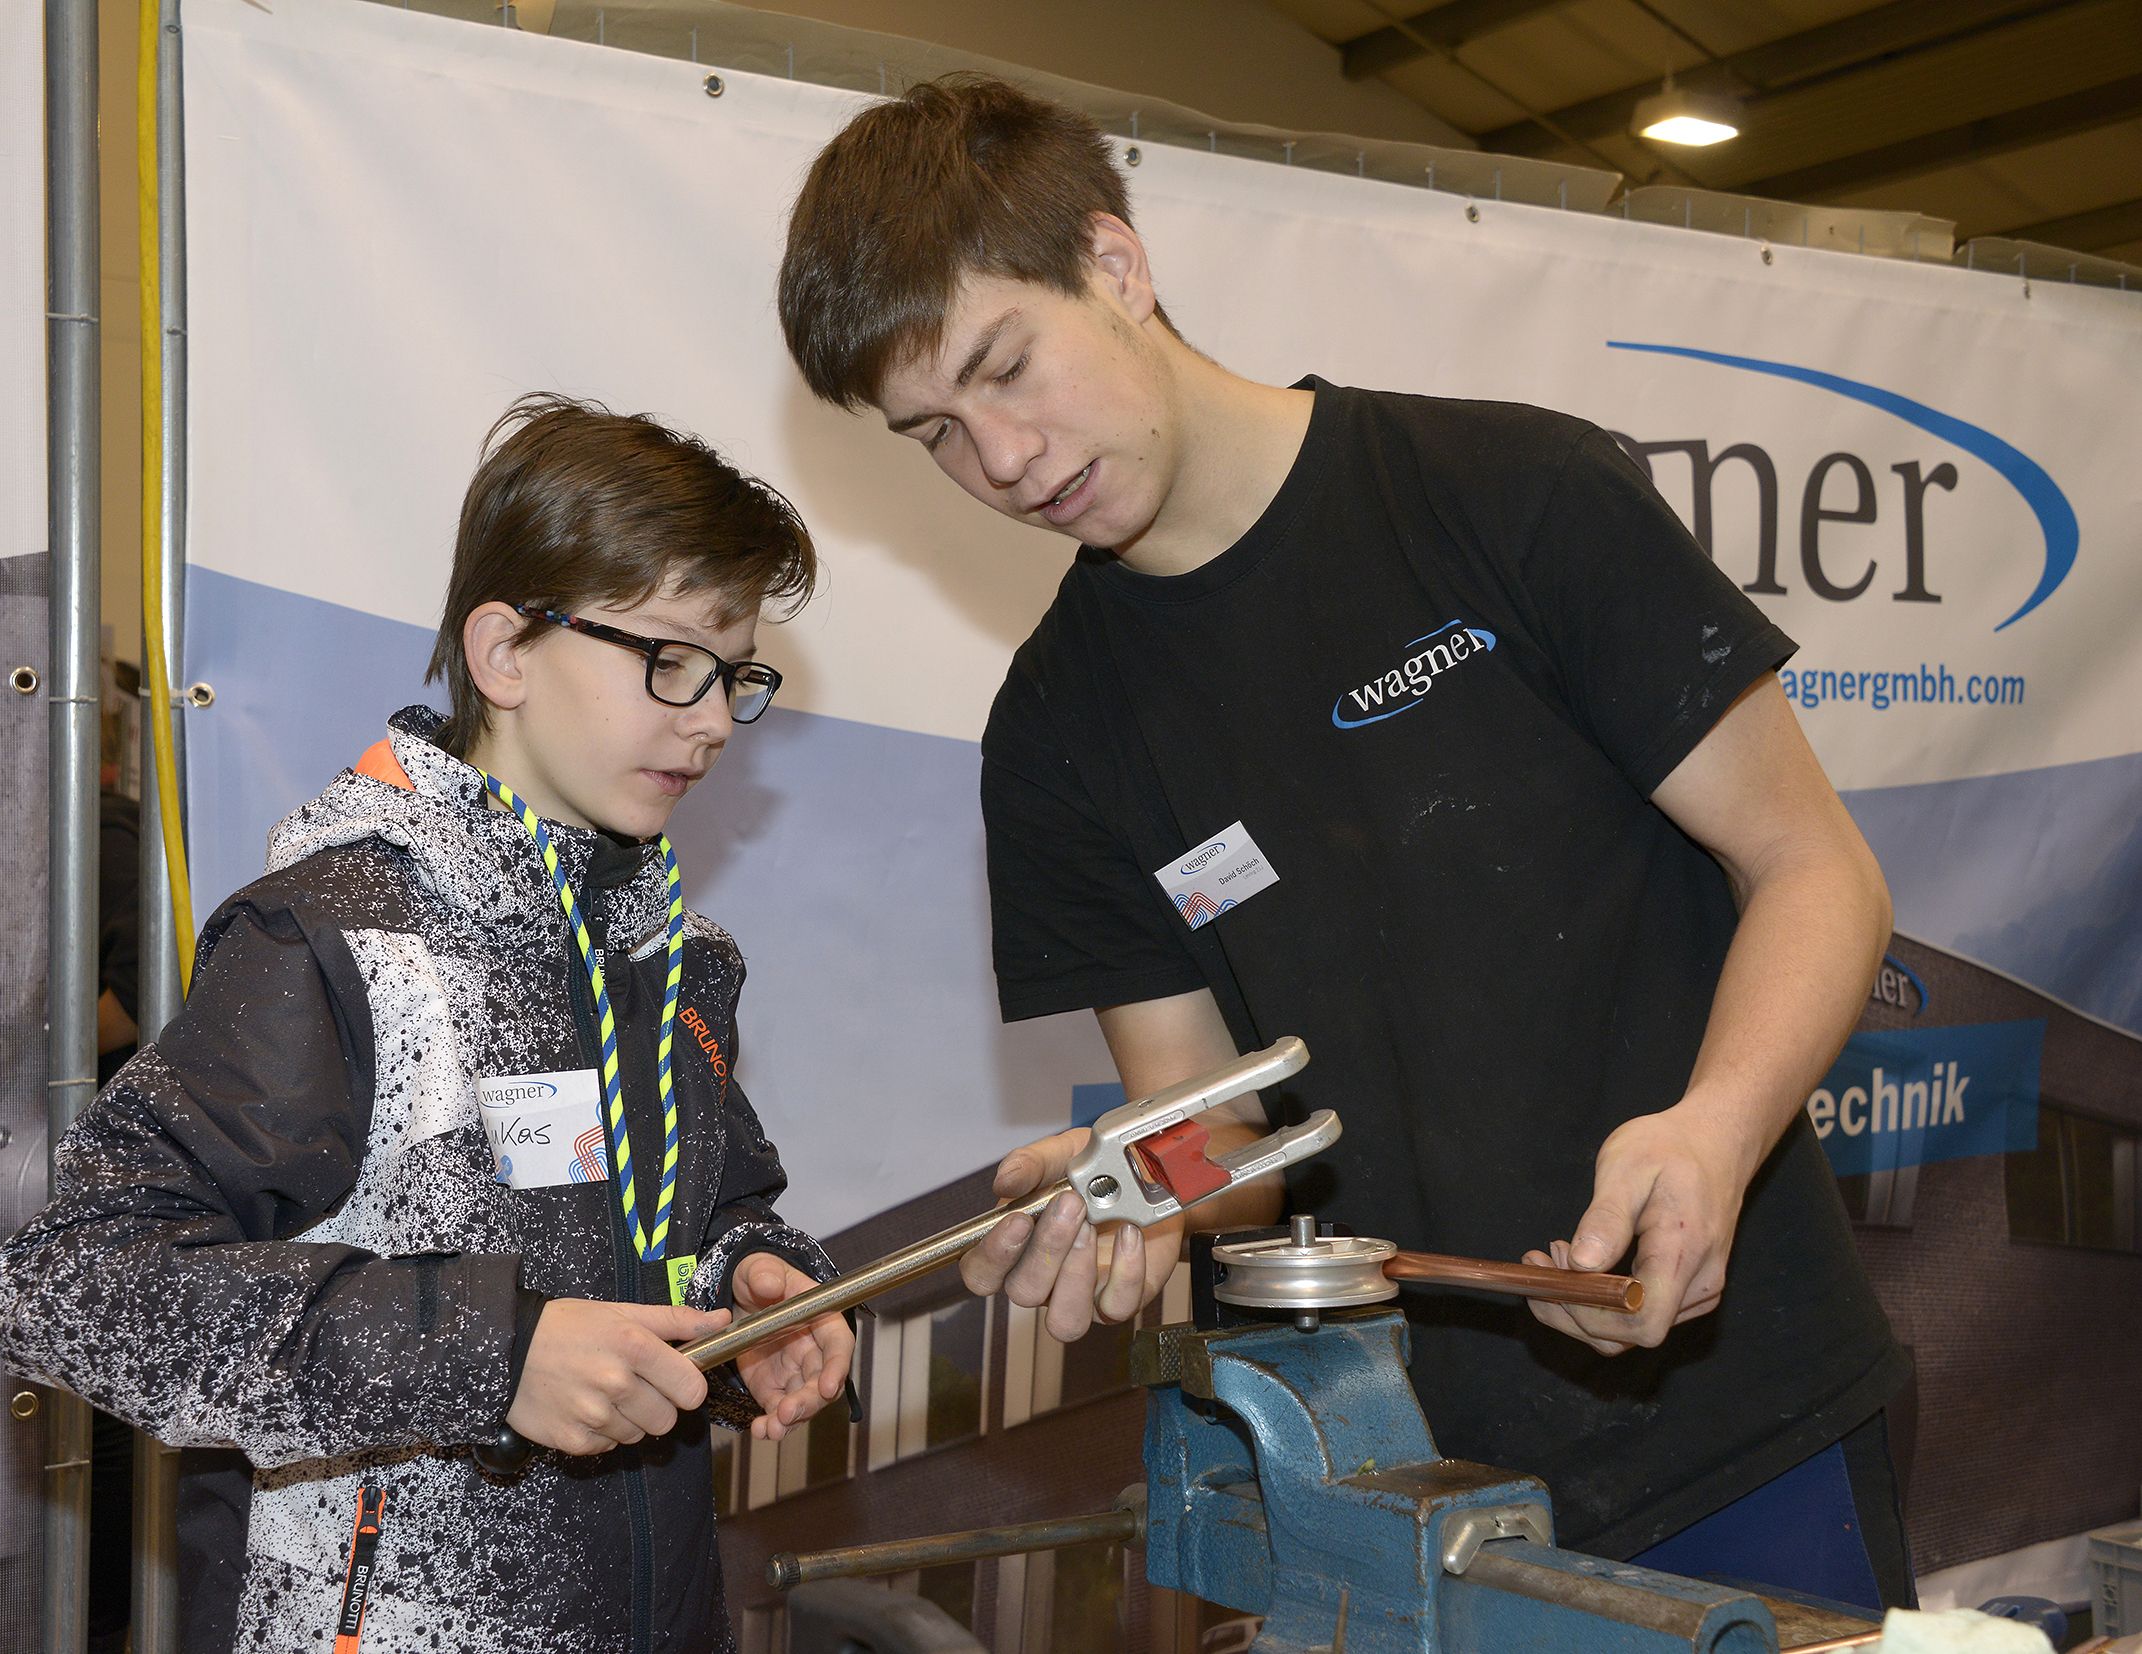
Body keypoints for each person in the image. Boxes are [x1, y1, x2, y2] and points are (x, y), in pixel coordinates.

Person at [776, 75, 1914, 1607]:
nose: (1002, 458)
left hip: (1746, 1416)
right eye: (935, 432)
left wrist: (1710, 1131)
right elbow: (1223, 1131)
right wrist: (1128, 1182)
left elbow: (1814, 869)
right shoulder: (1055, 734)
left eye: (1006, 367)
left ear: (1112, 265)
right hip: (1398, 1495)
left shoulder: (1513, 498)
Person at [0, 395, 855, 1653]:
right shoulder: (333, 937)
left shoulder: (675, 960)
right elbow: (77, 1287)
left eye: (735, 676)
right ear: (505, 652)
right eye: (671, 661)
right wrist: (490, 1356)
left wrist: (751, 1291)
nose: (714, 717)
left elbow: (702, 1221)